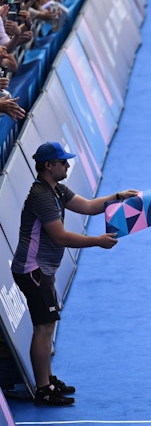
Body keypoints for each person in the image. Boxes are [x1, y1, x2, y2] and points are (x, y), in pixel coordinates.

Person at [11, 141, 138, 406]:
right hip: (32, 270)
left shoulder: (56, 190)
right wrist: (97, 241)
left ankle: (48, 379)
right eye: (63, 162)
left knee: (48, 324)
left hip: (43, 269)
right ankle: (43, 389)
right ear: (48, 166)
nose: (68, 165)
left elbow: (89, 206)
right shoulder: (42, 196)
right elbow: (60, 237)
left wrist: (117, 197)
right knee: (43, 327)